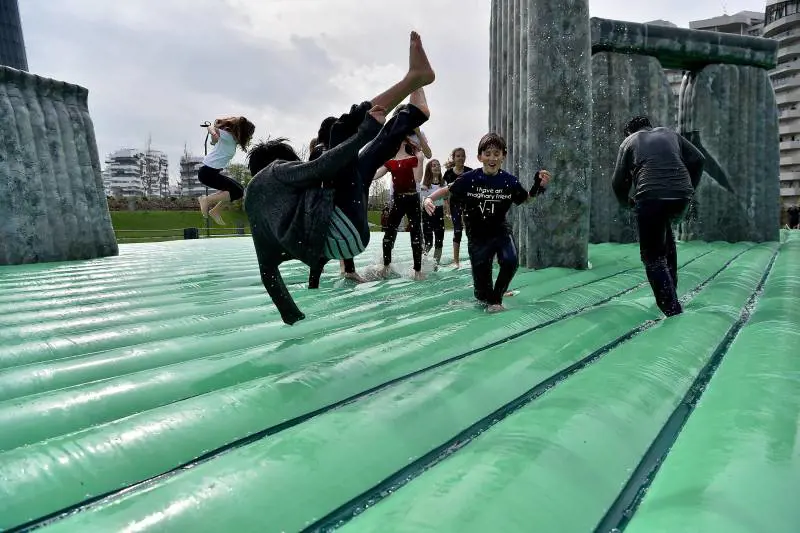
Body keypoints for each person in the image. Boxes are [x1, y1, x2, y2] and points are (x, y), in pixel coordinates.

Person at [243, 31, 435, 325]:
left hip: (342, 243)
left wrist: (294, 317)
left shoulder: (258, 213)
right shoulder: (275, 173)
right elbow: (321, 167)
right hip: (344, 226)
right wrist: (363, 132)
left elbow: (269, 274)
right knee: (341, 128)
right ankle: (413, 80)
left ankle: (413, 112)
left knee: (366, 162)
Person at [424, 133, 552, 313]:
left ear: (503, 156)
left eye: (497, 154)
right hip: (477, 237)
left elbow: (526, 200)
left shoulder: (509, 181)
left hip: (500, 231)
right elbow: (447, 190)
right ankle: (488, 294)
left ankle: (497, 298)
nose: (492, 158)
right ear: (480, 157)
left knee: (510, 261)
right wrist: (428, 199)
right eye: (488, 154)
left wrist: (537, 187)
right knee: (481, 294)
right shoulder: (470, 178)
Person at [611, 115, 705, 317]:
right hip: (681, 196)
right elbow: (699, 159)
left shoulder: (629, 141)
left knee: (652, 256)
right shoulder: (670, 134)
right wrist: (689, 190)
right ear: (649, 126)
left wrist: (626, 203)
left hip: (651, 195)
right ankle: (672, 291)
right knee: (664, 235)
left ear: (628, 132)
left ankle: (672, 310)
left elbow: (618, 183)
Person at [376, 133, 427, 280]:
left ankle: (417, 270)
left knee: (415, 234)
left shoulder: (412, 159)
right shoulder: (390, 162)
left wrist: (420, 160)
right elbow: (375, 175)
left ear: (405, 142)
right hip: (398, 200)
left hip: (412, 199)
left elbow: (418, 179)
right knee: (389, 233)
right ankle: (386, 265)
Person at [198, 116, 256, 225]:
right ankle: (206, 200)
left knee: (239, 190)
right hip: (207, 173)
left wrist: (214, 140)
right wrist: (214, 135)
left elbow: (215, 141)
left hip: (211, 173)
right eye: (249, 135)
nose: (250, 138)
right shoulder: (228, 136)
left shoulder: (231, 140)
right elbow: (211, 128)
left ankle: (215, 210)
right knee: (237, 192)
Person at [442, 147, 473, 268]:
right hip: (455, 204)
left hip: (468, 204)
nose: (460, 158)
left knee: (470, 231)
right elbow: (444, 191)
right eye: (458, 156)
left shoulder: (470, 172)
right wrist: (446, 204)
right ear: (454, 158)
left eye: (462, 156)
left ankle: (473, 258)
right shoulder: (448, 173)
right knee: (458, 231)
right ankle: (456, 261)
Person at [420, 158, 446, 266]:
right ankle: (420, 262)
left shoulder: (444, 184)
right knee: (429, 242)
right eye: (434, 165)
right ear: (429, 169)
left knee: (439, 242)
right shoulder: (424, 185)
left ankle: (436, 266)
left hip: (439, 212)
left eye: (438, 165)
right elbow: (422, 202)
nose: (437, 167)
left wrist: (448, 210)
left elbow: (446, 199)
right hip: (428, 213)